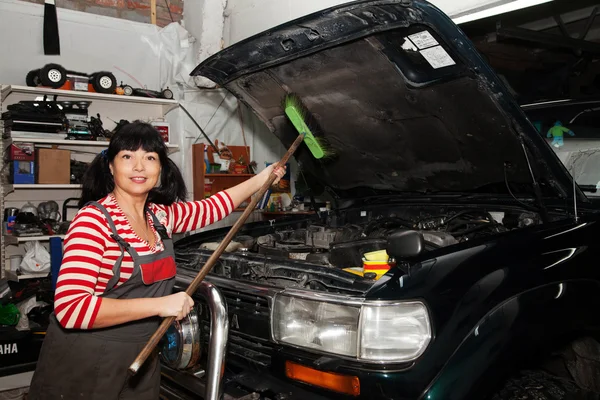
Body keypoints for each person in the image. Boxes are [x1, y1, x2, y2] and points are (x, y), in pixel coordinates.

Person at [28, 121, 285, 399]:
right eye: (128, 157)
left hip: (143, 355)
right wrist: (161, 305)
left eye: (150, 158)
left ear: (160, 168)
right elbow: (71, 308)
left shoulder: (160, 218)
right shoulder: (93, 222)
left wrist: (263, 178)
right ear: (111, 167)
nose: (139, 167)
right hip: (85, 361)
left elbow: (214, 206)